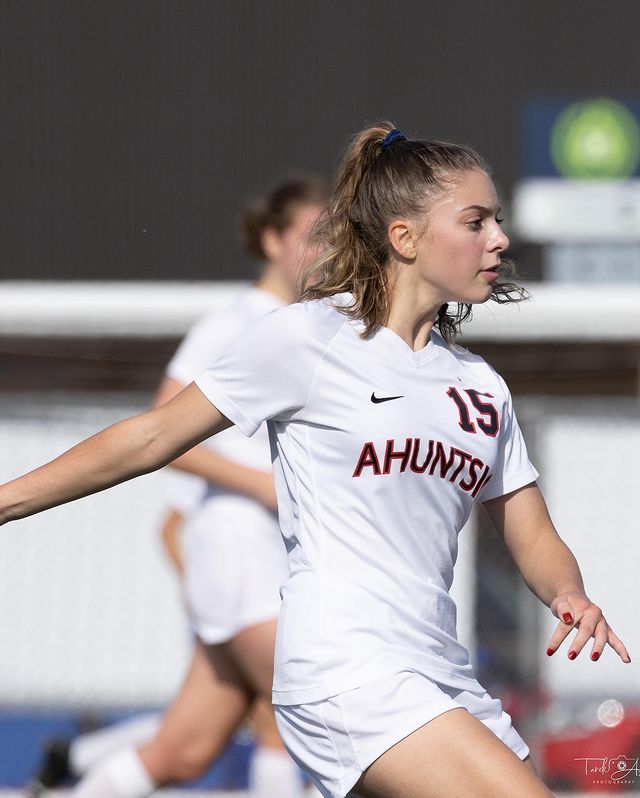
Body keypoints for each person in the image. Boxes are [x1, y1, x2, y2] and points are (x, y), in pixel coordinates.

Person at [1, 123, 631, 798]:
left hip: (439, 672)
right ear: (404, 237)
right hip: (348, 668)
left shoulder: (480, 387)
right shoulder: (309, 338)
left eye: (497, 220)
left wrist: (567, 592)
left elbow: (531, 533)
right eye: (475, 221)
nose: (499, 239)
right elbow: (151, 438)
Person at [30, 175, 326, 798]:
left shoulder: (311, 326)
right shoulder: (238, 323)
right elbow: (164, 432)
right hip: (237, 551)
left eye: (335, 236)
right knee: (310, 709)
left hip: (264, 558)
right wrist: (259, 484)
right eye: (311, 234)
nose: (326, 249)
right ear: (271, 241)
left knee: (181, 752)